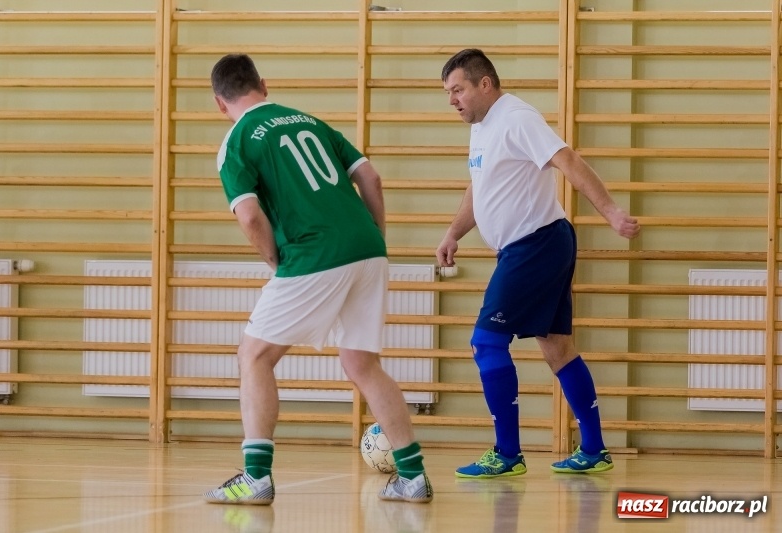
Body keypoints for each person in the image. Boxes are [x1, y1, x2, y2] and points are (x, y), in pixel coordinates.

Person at [204, 53, 432, 505]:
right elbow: (371, 178)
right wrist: (374, 239)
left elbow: (249, 216)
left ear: (219, 103)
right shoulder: (311, 121)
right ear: (263, 84)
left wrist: (274, 260)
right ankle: (413, 476)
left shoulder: (237, 140)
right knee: (362, 364)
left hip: (314, 252)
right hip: (367, 248)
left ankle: (256, 477)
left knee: (254, 356)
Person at [436, 48, 641, 477]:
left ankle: (507, 454)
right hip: (537, 245)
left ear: (484, 84)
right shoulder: (483, 127)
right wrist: (454, 232)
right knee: (557, 348)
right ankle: (594, 450)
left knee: (486, 342)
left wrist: (610, 212)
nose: (452, 100)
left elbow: (568, 160)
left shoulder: (516, 117)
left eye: (458, 90)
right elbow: (479, 188)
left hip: (535, 244)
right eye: (448, 93)